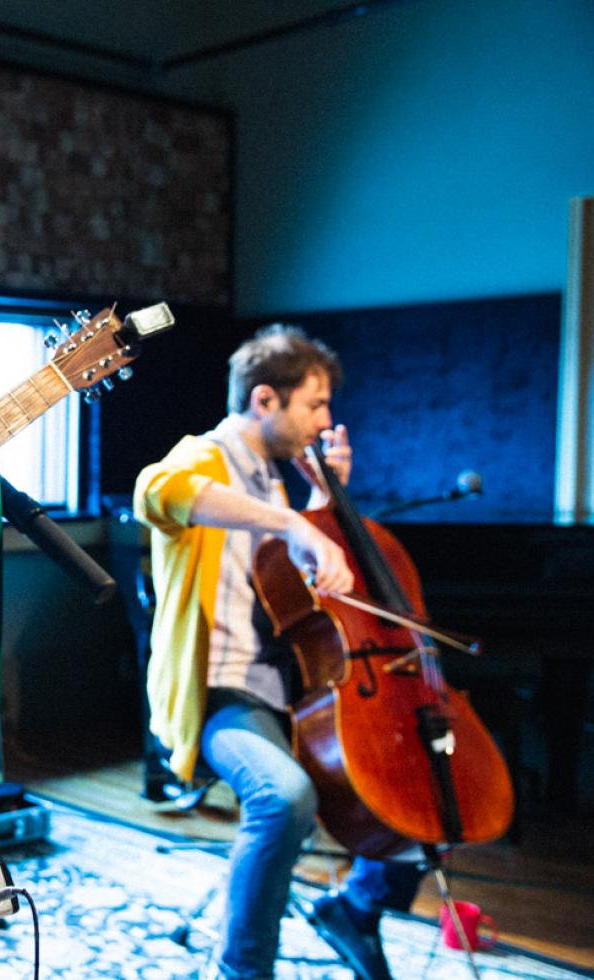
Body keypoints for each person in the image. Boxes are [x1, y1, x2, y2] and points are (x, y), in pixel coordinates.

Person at [132, 325, 422, 980]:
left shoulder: (274, 482)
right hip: (221, 697)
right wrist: (294, 521)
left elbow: (303, 594)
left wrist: (322, 507)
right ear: (266, 399)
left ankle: (356, 907)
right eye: (315, 404)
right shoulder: (203, 458)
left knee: (411, 771)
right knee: (284, 797)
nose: (326, 419)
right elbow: (155, 489)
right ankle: (244, 970)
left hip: (290, 692)